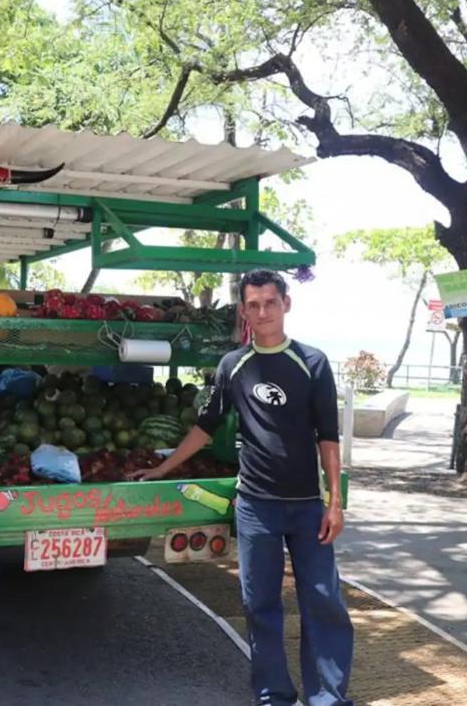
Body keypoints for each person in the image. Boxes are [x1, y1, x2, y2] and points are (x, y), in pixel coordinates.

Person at [132, 269, 353, 706]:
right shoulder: (234, 365)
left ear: (286, 304)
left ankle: (328, 695)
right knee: (260, 605)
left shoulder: (313, 363)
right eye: (253, 305)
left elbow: (328, 436)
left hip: (307, 505)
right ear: (243, 310)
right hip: (255, 506)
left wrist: (335, 502)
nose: (263, 312)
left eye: (271, 302)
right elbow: (204, 426)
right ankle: (274, 693)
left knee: (324, 601)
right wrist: (164, 468)